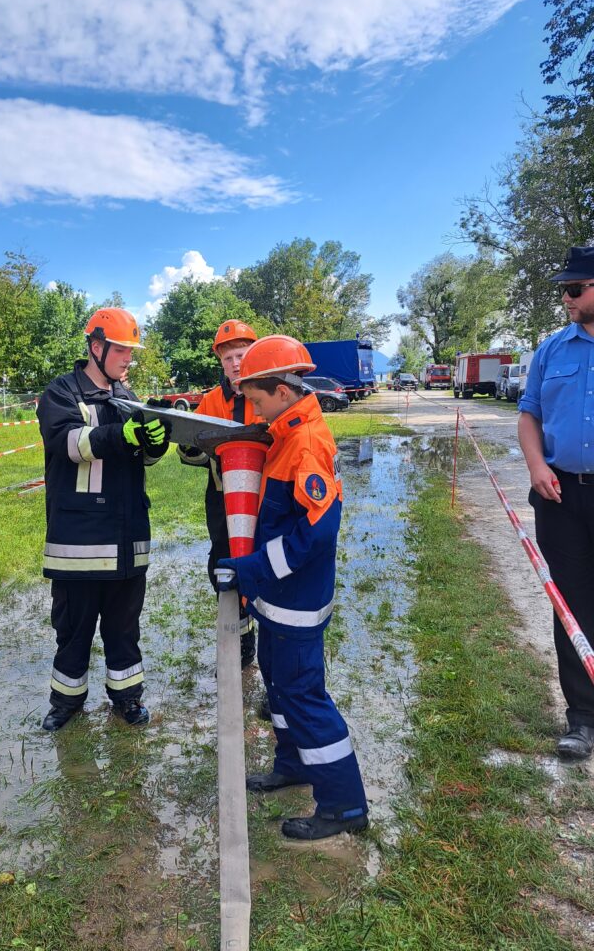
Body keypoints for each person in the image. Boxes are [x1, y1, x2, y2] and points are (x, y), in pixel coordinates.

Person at [217, 334, 369, 840]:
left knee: (302, 694)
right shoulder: (285, 432)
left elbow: (318, 533)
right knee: (279, 686)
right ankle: (294, 763)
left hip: (295, 602)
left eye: (257, 400)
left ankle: (344, 806)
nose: (253, 411)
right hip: (279, 600)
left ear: (283, 391)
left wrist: (252, 570)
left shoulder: (305, 442)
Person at [37, 308, 171, 732]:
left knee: (124, 628)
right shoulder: (61, 393)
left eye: (131, 351)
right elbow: (69, 443)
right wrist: (122, 434)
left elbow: (141, 459)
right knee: (73, 630)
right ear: (96, 348)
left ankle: (127, 699)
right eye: (122, 350)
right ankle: (66, 703)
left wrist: (156, 443)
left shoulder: (128, 397)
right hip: (80, 541)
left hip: (127, 537)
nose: (128, 359)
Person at [518, 245, 594, 760]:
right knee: (571, 605)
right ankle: (582, 719)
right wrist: (537, 466)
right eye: (564, 289)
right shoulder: (551, 351)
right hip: (561, 496)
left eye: (574, 289)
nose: (565, 298)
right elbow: (529, 417)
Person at [178, 320, 262, 668]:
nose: (235, 364)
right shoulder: (211, 401)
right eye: (228, 358)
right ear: (221, 362)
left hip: (264, 498)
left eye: (241, 355)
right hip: (221, 499)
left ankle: (266, 633)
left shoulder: (266, 393)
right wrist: (188, 441)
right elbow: (189, 454)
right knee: (224, 567)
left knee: (264, 566)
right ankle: (240, 641)